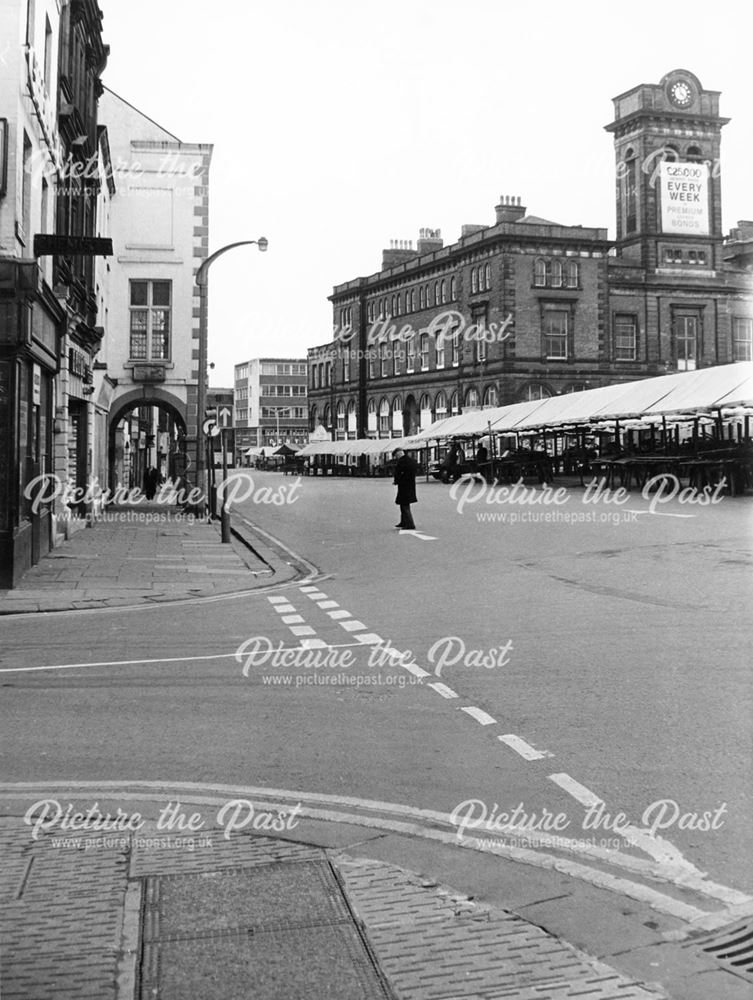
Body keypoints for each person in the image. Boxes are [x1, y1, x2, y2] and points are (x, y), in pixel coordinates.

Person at [393, 448, 418, 529]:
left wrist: (396, 481)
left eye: (396, 455)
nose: (396, 457)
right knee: (404, 504)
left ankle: (410, 524)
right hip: (410, 485)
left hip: (403, 485)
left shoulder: (401, 461)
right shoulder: (411, 460)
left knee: (404, 505)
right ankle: (403, 521)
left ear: (399, 454)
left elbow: (398, 473)